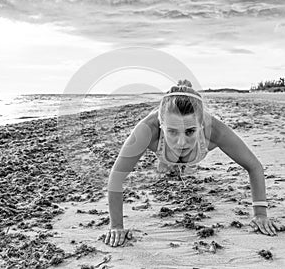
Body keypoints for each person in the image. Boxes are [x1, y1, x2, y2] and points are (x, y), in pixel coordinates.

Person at [104, 79, 281, 247]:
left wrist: (260, 214)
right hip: (162, 148)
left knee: (177, 156)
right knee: (168, 161)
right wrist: (117, 226)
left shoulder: (215, 131)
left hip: (196, 144)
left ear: (202, 125)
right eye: (172, 131)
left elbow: (254, 166)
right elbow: (116, 177)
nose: (181, 142)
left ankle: (174, 151)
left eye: (190, 131)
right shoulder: (147, 131)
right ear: (161, 126)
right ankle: (167, 160)